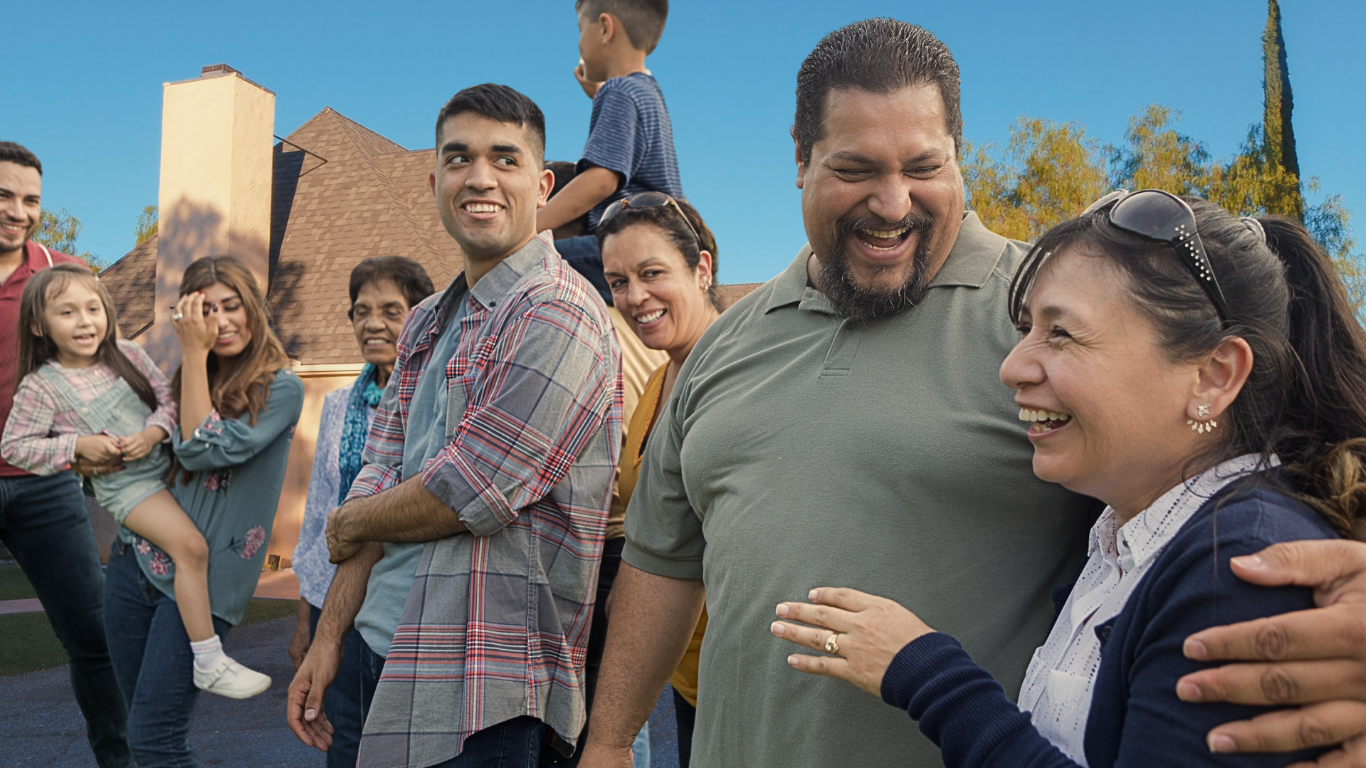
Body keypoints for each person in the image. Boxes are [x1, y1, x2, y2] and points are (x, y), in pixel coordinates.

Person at [578, 19, 1366, 768]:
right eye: (856, 168)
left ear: (960, 154)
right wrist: (611, 741)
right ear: (800, 156)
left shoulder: (1061, 311)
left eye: (923, 167)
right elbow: (662, 560)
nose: (892, 203)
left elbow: (1271, 455)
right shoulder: (723, 344)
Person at [772, 193, 1366, 766]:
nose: (1013, 366)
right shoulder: (1128, 533)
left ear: (1213, 376)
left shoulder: (1238, 570)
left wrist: (925, 671)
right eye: (1027, 328)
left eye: (1061, 333)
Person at [287, 83, 622, 768]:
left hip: (486, 684)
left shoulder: (559, 312)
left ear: (542, 183)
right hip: (377, 649)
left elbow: (471, 491)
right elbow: (376, 474)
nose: (480, 177)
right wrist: (329, 638)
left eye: (505, 159)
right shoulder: (426, 319)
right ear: (434, 178)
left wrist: (349, 524)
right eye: (460, 157)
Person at [4, 263, 270, 699]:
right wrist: (76, 447)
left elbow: (168, 402)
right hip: (130, 488)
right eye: (66, 312)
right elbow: (15, 446)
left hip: (170, 464)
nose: (84, 320)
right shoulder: (42, 386)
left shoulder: (128, 353)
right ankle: (209, 660)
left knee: (217, 532)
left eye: (93, 307)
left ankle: (190, 638)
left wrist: (152, 432)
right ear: (38, 324)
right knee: (191, 547)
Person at [101, 255, 303, 767]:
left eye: (231, 306)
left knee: (156, 740)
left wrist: (192, 355)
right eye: (206, 310)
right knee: (136, 729)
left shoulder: (280, 388)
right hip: (133, 564)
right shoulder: (182, 383)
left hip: (202, 583)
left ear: (254, 310)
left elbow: (203, 448)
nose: (221, 321)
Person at [0, 141, 131, 767]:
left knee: (94, 638)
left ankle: (122, 760)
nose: (18, 211)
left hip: (43, 482)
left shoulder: (63, 274)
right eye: (5, 195)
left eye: (30, 200)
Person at [288, 255, 435, 768]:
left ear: (419, 316)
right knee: (346, 740)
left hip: (411, 603)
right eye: (361, 311)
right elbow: (319, 517)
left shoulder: (436, 398)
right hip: (342, 605)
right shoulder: (336, 406)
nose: (373, 323)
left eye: (391, 310)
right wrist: (309, 622)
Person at [597, 193, 719, 768]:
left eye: (651, 273)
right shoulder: (659, 376)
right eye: (618, 281)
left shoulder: (732, 372)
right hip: (682, 672)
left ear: (701, 269)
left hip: (735, 674)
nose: (634, 297)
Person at [536, 0, 684, 306]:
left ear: (605, 28)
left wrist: (529, 226)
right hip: (663, 241)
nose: (579, 41)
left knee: (530, 264)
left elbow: (602, 179)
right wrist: (598, 96)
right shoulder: (645, 91)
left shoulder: (618, 92)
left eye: (580, 29)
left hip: (633, 242)